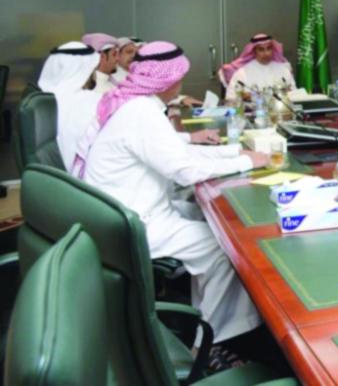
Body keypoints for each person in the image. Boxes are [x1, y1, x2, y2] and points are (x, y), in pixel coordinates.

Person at [74, 41, 268, 342]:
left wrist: (235, 153)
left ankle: (203, 313)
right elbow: (185, 170)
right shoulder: (141, 112)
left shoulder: (136, 104)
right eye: (180, 78)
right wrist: (247, 162)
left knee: (207, 217)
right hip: (134, 223)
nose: (181, 84)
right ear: (168, 80)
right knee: (226, 249)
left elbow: (178, 151)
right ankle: (214, 342)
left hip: (127, 211)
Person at [37, 41, 102, 166]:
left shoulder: (42, 99)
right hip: (80, 172)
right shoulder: (93, 102)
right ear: (86, 71)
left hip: (53, 172)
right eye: (93, 70)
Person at [222, 34, 296, 101]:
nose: (266, 53)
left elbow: (295, 95)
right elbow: (230, 99)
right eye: (261, 49)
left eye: (269, 48)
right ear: (254, 51)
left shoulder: (283, 70)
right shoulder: (242, 73)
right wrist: (244, 98)